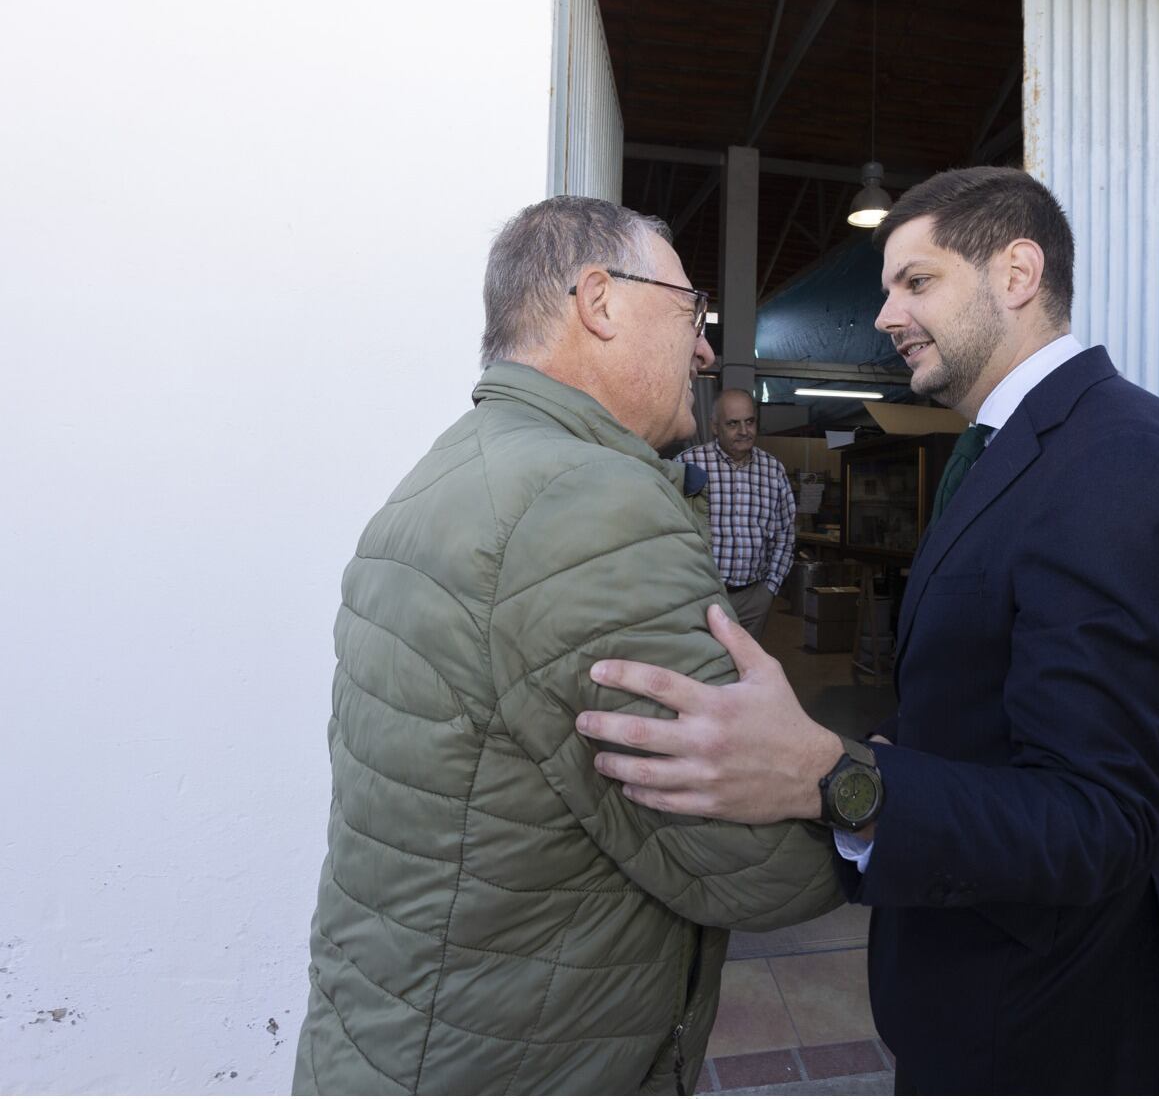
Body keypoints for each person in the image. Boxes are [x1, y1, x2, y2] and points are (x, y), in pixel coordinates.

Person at [576, 167, 1159, 1094]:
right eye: (886, 287)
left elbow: (1098, 820)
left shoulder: (1126, 467)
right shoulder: (1008, 451)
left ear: (1018, 273)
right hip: (983, 997)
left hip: (1073, 1031)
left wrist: (830, 778)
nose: (886, 315)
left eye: (917, 281)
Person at [292, 196, 842, 1095]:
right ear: (601, 300)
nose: (704, 350)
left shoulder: (454, 467)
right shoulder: (582, 503)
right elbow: (749, 864)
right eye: (690, 313)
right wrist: (853, 787)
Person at [676, 389, 796, 638]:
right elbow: (666, 529)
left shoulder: (773, 470)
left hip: (754, 598)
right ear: (715, 427)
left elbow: (785, 534)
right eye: (733, 424)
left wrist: (770, 588)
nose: (744, 431)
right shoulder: (688, 465)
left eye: (749, 421)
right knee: (704, 670)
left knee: (747, 670)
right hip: (701, 597)